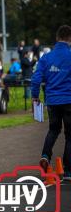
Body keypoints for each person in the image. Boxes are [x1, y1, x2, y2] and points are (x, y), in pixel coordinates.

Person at [32, 25, 71, 181]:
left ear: (57, 38)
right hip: (69, 100)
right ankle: (68, 171)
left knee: (53, 130)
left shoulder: (46, 57)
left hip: (52, 100)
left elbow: (36, 79)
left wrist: (35, 96)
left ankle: (45, 155)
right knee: (70, 136)